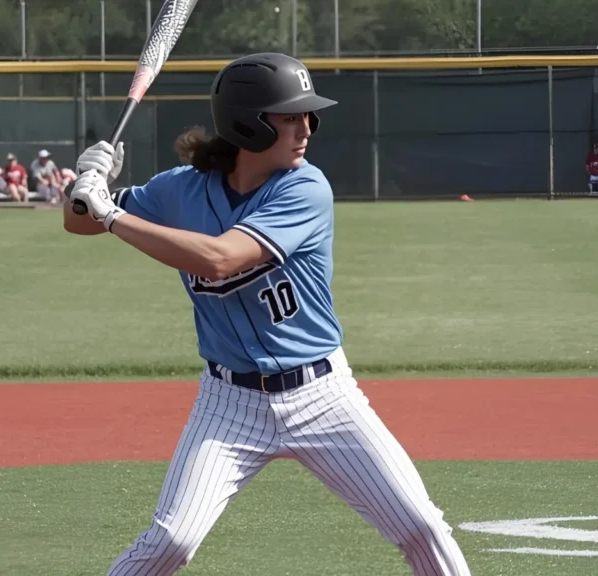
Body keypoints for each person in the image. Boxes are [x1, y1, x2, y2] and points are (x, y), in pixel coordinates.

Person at [64, 52, 473, 576]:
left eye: (308, 114)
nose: (306, 127)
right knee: (172, 541)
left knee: (422, 527)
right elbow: (81, 224)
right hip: (227, 404)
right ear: (247, 125)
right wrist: (85, 187)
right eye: (290, 116)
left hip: (322, 396)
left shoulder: (305, 188)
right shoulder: (179, 189)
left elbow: (220, 260)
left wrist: (111, 212)